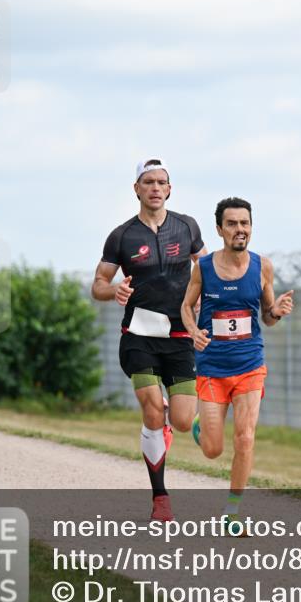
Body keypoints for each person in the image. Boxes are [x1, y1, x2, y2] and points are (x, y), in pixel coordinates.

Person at [92, 158, 207, 522]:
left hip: (180, 335)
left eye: (161, 182)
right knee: (154, 410)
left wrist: (212, 296)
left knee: (185, 421)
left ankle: (170, 426)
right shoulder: (122, 236)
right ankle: (160, 497)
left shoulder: (187, 227)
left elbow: (206, 269)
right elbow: (98, 285)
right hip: (139, 334)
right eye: (148, 182)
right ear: (136, 189)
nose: (155, 187)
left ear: (169, 189)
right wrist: (115, 292)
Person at [180, 197, 294, 534]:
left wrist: (277, 312)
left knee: (245, 438)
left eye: (244, 223)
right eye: (232, 224)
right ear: (219, 229)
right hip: (213, 369)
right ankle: (202, 425)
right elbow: (187, 306)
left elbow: (268, 316)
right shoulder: (203, 268)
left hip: (250, 366)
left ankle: (232, 513)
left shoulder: (263, 267)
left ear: (251, 227)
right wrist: (192, 332)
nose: (239, 229)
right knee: (214, 450)